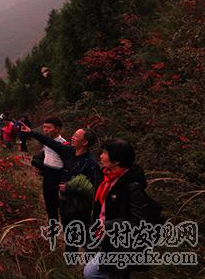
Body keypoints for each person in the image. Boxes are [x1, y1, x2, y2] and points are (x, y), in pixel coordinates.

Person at [21, 123, 102, 251]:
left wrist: (70, 187)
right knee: (68, 229)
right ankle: (72, 258)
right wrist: (31, 132)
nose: (72, 137)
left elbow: (94, 189)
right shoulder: (69, 152)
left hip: (80, 205)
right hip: (66, 202)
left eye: (76, 136)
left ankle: (93, 261)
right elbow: (50, 142)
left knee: (82, 232)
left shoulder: (91, 164)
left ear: (85, 142)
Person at [83, 139, 149, 279]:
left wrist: (106, 226)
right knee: (92, 271)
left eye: (105, 153)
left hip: (121, 244)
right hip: (105, 238)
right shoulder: (107, 177)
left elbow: (137, 221)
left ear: (118, 160)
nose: (101, 156)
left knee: (94, 272)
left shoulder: (132, 186)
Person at [28, 117, 67, 227]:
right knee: (49, 203)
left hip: (58, 177)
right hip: (47, 175)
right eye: (44, 127)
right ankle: (52, 227)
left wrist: (64, 181)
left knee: (59, 204)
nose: (45, 130)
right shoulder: (47, 141)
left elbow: (67, 165)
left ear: (57, 129)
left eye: (48, 128)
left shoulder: (63, 144)